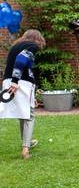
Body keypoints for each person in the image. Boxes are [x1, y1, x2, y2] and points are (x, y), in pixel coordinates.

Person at [0, 29, 46, 159]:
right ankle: (26, 149)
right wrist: (15, 81)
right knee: (29, 115)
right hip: (21, 83)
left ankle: (28, 140)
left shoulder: (16, 46)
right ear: (37, 38)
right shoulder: (32, 45)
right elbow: (21, 61)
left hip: (8, 81)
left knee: (22, 113)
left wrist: (12, 81)